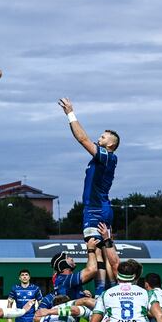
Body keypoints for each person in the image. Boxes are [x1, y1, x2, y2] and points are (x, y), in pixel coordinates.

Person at [58, 97, 119, 241]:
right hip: (101, 207)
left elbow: (83, 139)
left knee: (94, 253)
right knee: (105, 252)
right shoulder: (101, 158)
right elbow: (81, 137)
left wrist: (70, 113)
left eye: (103, 137)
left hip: (95, 208)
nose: (99, 139)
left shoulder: (107, 156)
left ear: (110, 145)